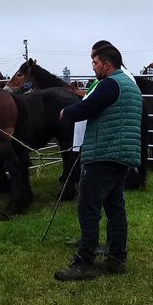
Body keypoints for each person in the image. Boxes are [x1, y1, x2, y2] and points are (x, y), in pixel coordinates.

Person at [54, 43, 143, 282]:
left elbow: (87, 107)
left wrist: (66, 112)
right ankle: (117, 258)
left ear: (106, 64)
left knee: (88, 207)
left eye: (95, 63)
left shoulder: (110, 84)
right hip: (121, 155)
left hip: (103, 153)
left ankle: (84, 262)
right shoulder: (131, 87)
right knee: (115, 208)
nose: (93, 67)